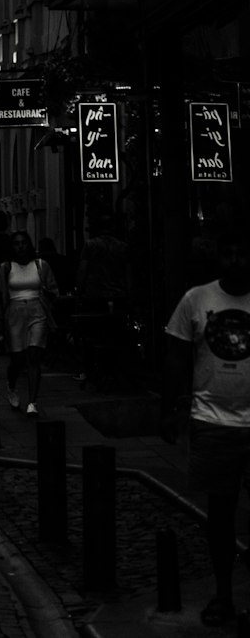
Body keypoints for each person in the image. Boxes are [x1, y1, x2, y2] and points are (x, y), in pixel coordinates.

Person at [162, 230, 250, 628]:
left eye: (241, 253)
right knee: (220, 513)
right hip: (213, 421)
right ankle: (223, 593)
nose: (234, 261)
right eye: (227, 252)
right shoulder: (196, 300)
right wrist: (169, 409)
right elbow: (177, 359)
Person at [0, 231, 58, 415]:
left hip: (36, 310)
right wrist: (2, 320)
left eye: (24, 243)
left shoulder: (40, 265)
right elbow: (2, 296)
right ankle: (12, 384)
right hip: (15, 312)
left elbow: (53, 288)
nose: (21, 247)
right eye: (16, 243)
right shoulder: (6, 267)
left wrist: (49, 293)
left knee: (34, 355)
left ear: (29, 245)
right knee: (17, 358)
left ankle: (32, 402)